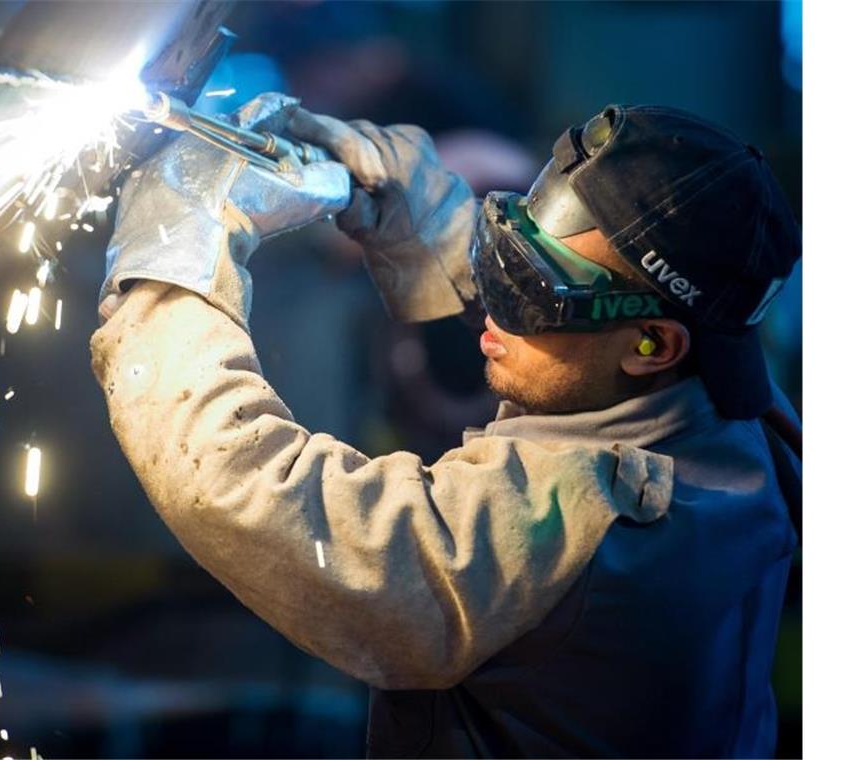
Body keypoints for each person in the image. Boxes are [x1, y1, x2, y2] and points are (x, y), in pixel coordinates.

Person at [92, 94, 800, 757]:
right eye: (507, 244)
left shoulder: (585, 522)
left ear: (653, 345)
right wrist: (409, 204)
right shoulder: (737, 413)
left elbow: (253, 493)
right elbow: (576, 297)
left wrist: (167, 266)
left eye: (529, 289)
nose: (496, 300)